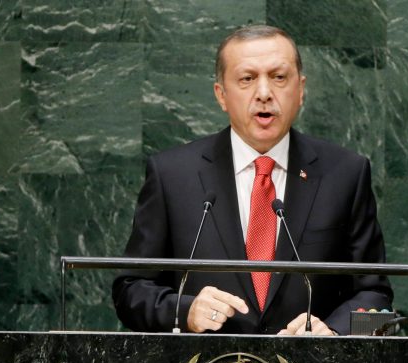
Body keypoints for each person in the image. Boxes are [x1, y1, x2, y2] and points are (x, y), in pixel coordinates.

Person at [112, 24, 393, 335]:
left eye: (279, 77)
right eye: (247, 79)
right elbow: (130, 289)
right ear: (221, 95)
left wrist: (335, 331)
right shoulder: (173, 176)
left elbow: (376, 297)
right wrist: (184, 311)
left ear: (300, 90)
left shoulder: (345, 174)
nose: (264, 94)